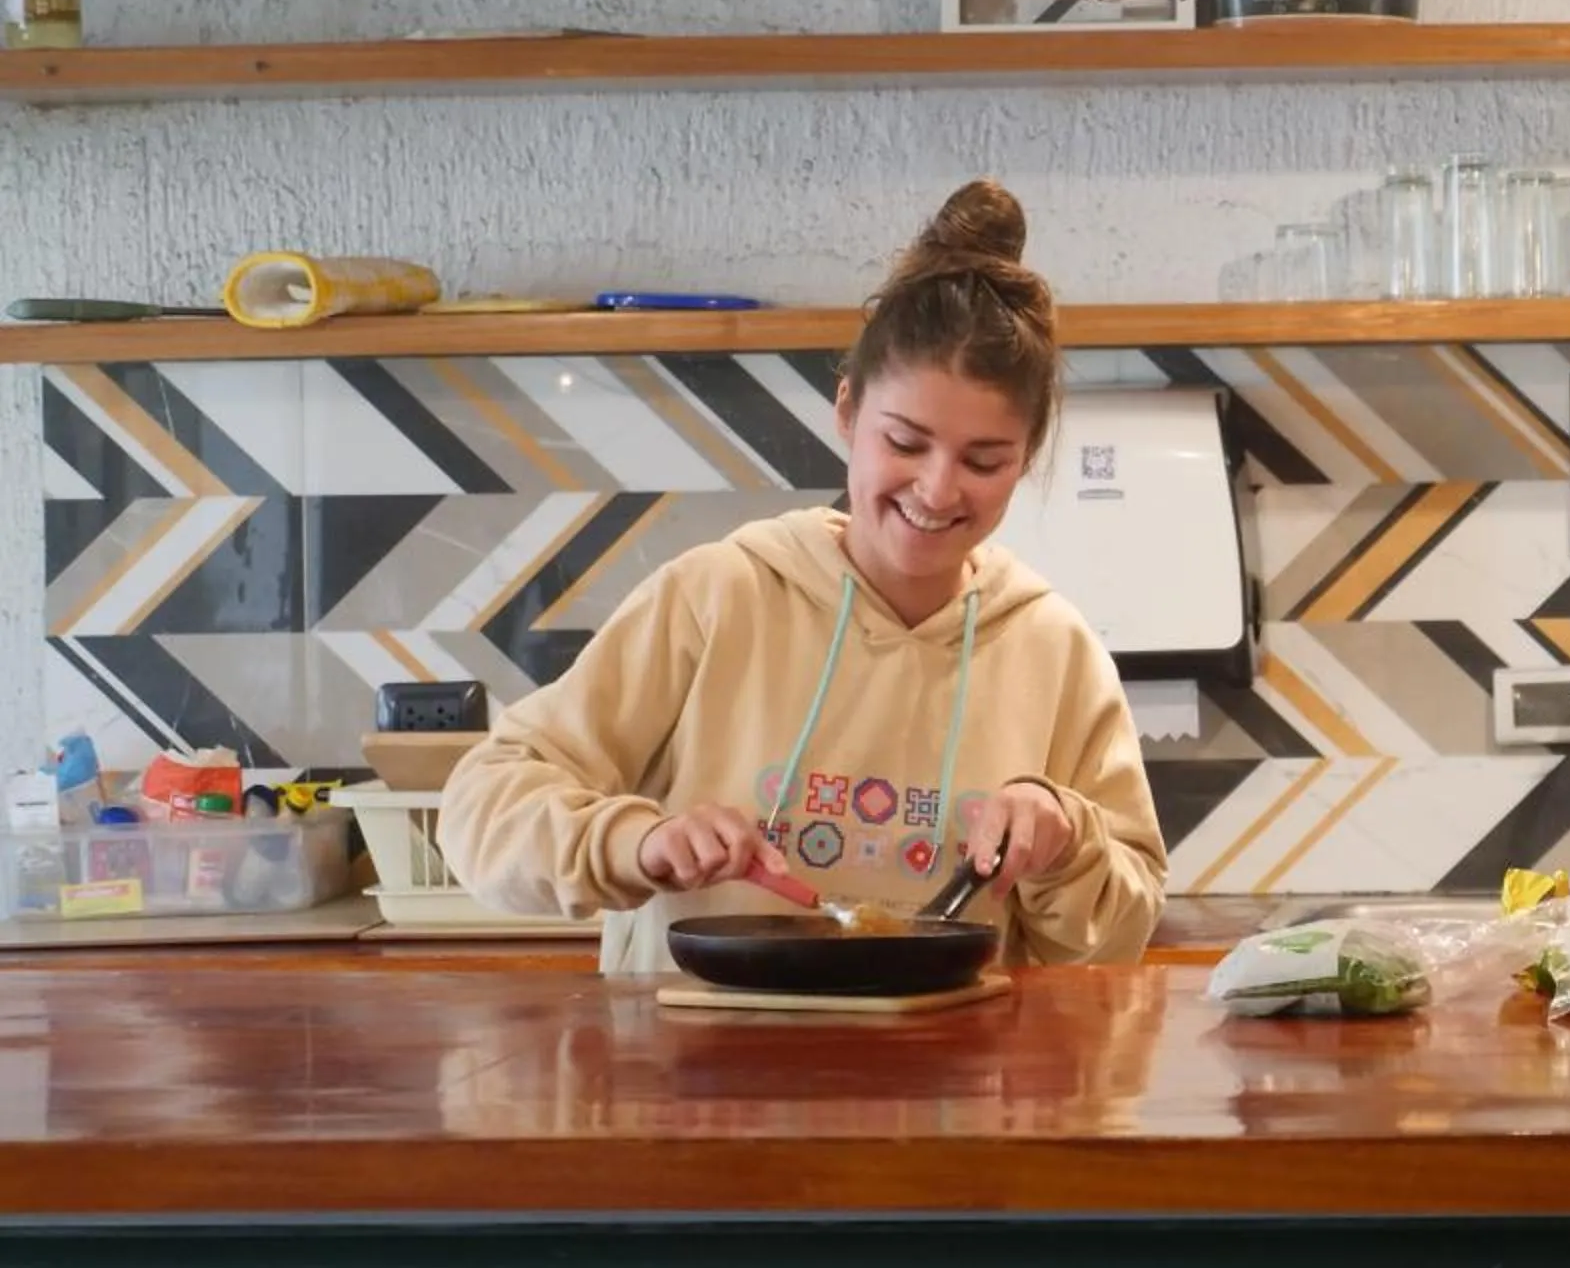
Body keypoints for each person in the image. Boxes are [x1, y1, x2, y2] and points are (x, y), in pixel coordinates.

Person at [439, 180, 1168, 975]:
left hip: (953, 1087)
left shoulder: (1051, 648)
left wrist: (1065, 836)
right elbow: (484, 806)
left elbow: (1121, 929)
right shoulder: (718, 597)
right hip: (691, 1084)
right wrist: (636, 840)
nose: (937, 489)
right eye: (906, 442)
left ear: (1024, 459)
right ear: (849, 413)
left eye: (984, 461)